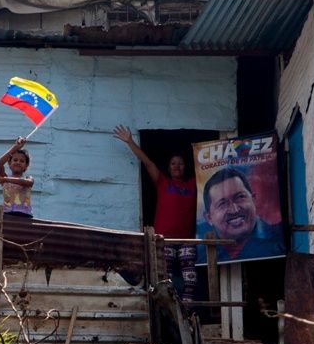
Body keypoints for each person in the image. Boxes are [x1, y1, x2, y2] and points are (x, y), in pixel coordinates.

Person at [113, 125, 196, 302]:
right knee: (165, 280)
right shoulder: (163, 182)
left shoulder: (192, 185)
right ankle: (170, 314)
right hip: (164, 239)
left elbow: (210, 172)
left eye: (181, 163)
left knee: (191, 280)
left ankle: (188, 313)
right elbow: (148, 162)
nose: (177, 166)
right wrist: (130, 141)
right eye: (173, 163)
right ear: (168, 166)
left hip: (186, 240)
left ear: (186, 166)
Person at [198, 167, 285, 263]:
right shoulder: (201, 257)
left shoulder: (279, 245)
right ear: (209, 218)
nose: (234, 210)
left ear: (254, 200)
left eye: (240, 197)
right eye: (222, 204)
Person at [0, 137, 34, 218]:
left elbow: (28, 183)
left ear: (26, 166)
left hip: (25, 216)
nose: (18, 162)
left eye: (22, 161)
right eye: (15, 160)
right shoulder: (4, 178)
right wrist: (15, 147)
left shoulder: (28, 178)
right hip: (7, 214)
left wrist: (4, 179)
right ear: (9, 163)